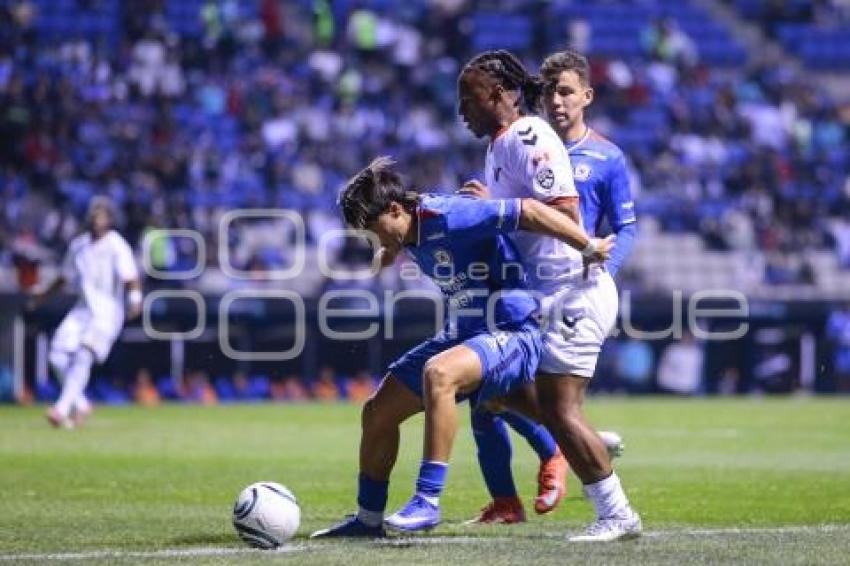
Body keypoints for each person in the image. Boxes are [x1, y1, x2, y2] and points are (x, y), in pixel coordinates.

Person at [311, 157, 612, 537]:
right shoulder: (404, 229)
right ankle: (368, 519)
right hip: (467, 331)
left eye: (373, 230)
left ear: (394, 209)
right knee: (377, 411)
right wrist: (381, 256)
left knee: (440, 374)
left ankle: (428, 500)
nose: (374, 240)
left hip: (514, 328)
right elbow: (390, 246)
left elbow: (531, 211)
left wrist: (587, 245)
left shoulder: (450, 215)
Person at [457, 50, 641, 541]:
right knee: (493, 391)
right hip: (543, 296)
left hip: (570, 290)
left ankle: (617, 513)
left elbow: (561, 207)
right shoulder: (499, 147)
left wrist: (500, 212)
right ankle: (583, 442)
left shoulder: (528, 135)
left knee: (560, 409)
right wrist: (488, 210)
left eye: (467, 97)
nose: (461, 110)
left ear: (497, 93)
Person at [29, 197, 142, 429]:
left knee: (84, 354)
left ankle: (60, 409)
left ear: (110, 219)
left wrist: (135, 300)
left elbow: (130, 278)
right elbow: (64, 277)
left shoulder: (116, 245)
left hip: (107, 312)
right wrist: (42, 295)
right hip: (82, 310)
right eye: (92, 214)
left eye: (100, 214)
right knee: (56, 357)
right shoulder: (78, 245)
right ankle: (80, 404)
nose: (94, 218)